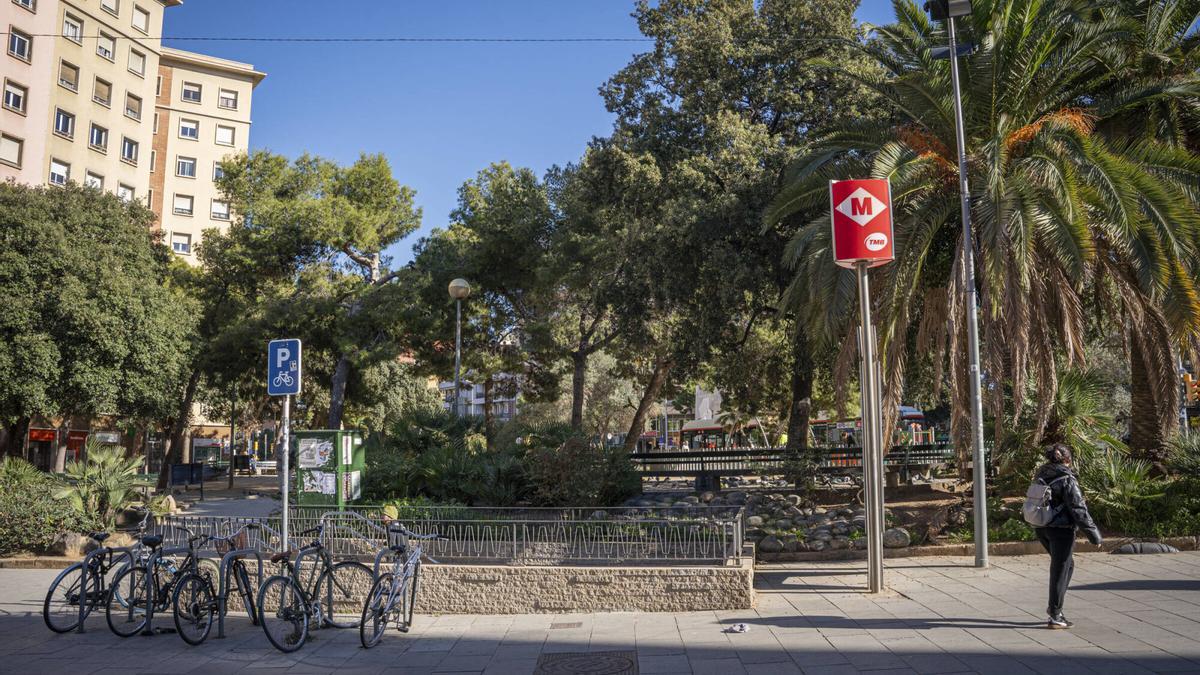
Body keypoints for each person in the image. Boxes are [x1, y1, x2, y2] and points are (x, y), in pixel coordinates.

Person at [1034, 443, 1102, 629]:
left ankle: (1054, 607)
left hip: (1041, 526)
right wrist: (1093, 534)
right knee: (1060, 568)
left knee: (1066, 565)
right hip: (1061, 529)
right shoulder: (1066, 478)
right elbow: (1078, 508)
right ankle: (1055, 614)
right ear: (1066, 460)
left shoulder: (1041, 473)